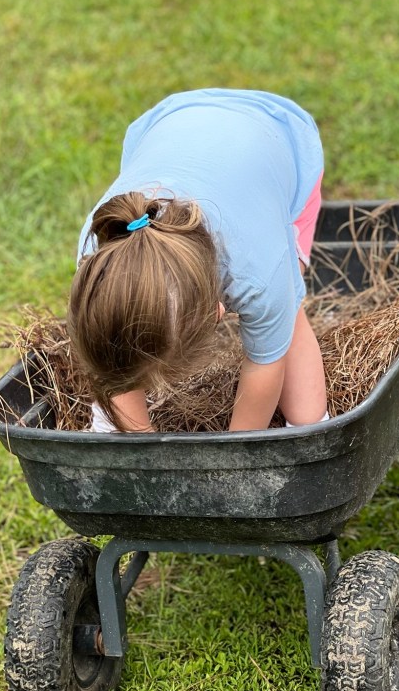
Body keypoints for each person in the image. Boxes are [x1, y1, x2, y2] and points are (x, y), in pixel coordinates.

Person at [68, 88, 328, 433]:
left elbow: (263, 370)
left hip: (279, 138)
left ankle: (314, 428)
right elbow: (112, 353)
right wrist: (134, 441)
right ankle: (111, 428)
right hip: (167, 125)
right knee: (121, 350)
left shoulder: (260, 273)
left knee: (286, 315)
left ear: (217, 312)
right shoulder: (103, 242)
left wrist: (234, 454)